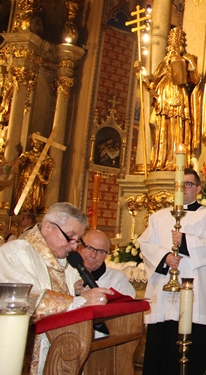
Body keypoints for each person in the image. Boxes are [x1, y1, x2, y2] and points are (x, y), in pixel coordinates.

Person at [0, 202, 112, 375]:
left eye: (78, 240)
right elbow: (24, 298)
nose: (74, 246)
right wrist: (78, 302)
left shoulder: (64, 259)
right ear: (47, 227)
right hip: (23, 350)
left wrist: (76, 290)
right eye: (70, 237)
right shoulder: (16, 252)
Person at [138, 168, 206, 375]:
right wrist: (165, 258)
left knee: (197, 352)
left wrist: (185, 242)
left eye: (188, 184)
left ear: (198, 188)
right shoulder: (159, 217)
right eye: (179, 185)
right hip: (164, 296)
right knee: (162, 347)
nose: (183, 188)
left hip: (196, 294)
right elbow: (146, 244)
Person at [146, 27, 202, 171]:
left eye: (175, 45)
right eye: (170, 45)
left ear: (180, 47)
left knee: (177, 127)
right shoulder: (163, 64)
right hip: (163, 99)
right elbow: (153, 82)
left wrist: (191, 64)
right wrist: (142, 76)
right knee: (155, 124)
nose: (172, 48)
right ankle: (161, 160)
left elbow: (195, 79)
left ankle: (175, 162)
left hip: (178, 98)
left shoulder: (185, 60)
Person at [74, 229, 136, 298]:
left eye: (100, 251)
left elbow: (126, 303)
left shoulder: (117, 278)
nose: (93, 255)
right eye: (89, 248)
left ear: (106, 255)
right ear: (79, 247)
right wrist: (73, 292)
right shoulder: (66, 272)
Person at [12, 133, 54, 213]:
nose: (37, 144)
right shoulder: (27, 155)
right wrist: (20, 159)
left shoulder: (45, 157)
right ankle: (24, 208)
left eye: (39, 142)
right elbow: (18, 164)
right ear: (32, 143)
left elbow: (50, 165)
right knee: (26, 193)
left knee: (35, 194)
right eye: (36, 142)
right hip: (27, 177)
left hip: (37, 179)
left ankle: (33, 208)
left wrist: (48, 165)